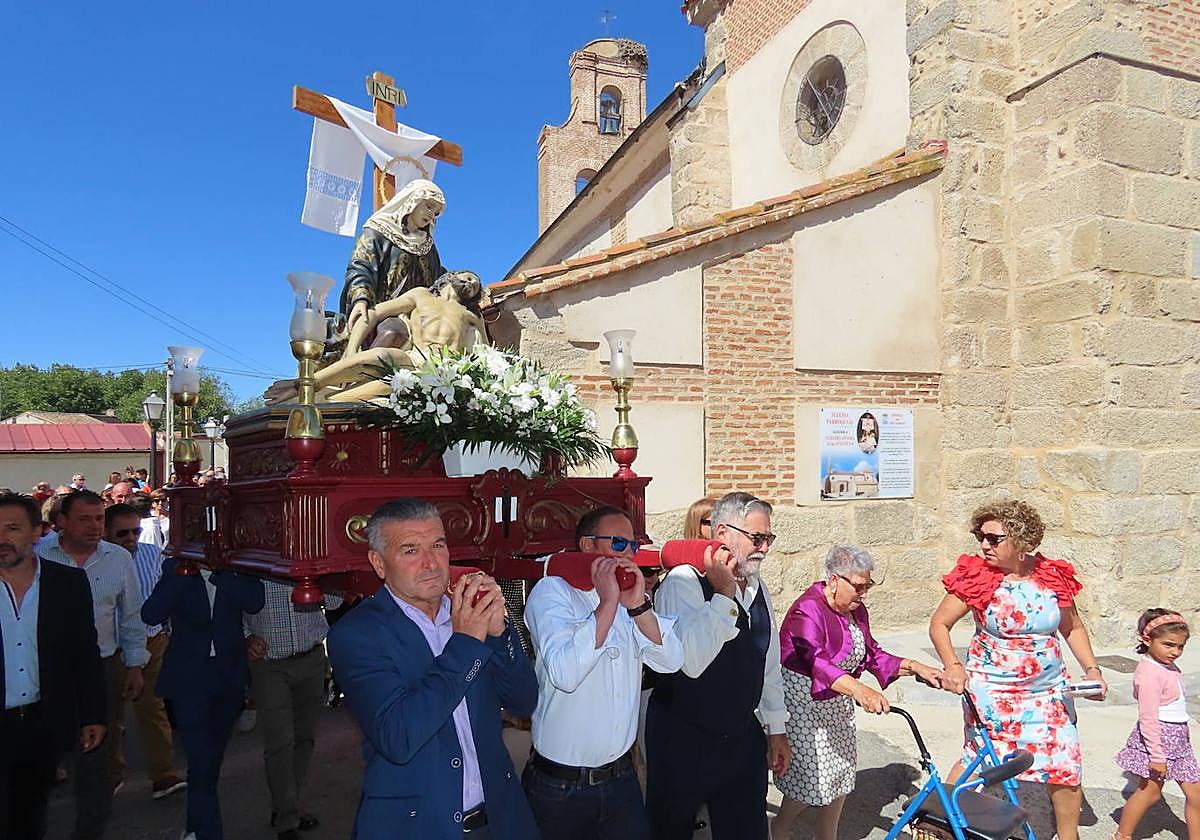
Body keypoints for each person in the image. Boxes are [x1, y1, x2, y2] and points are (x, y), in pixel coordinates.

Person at [327, 498, 539, 840]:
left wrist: (500, 635)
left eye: (438, 545)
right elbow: (399, 737)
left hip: (500, 817)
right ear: (379, 564)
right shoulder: (356, 635)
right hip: (416, 824)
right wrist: (468, 642)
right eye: (410, 550)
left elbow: (524, 701)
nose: (431, 563)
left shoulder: (469, 610)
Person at [929, 499, 1107, 840]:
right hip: (993, 692)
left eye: (994, 539)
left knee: (1064, 761)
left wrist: (1092, 669)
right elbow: (939, 624)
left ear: (1022, 541)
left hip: (1049, 690)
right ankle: (938, 821)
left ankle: (1069, 837)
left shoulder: (1051, 575)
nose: (984, 545)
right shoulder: (979, 576)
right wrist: (953, 665)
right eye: (980, 536)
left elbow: (1072, 627)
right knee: (978, 758)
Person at [522, 506, 683, 839]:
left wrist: (638, 606)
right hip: (560, 788)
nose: (628, 555)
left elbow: (671, 661)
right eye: (619, 544)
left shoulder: (629, 600)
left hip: (621, 782)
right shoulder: (552, 592)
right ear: (587, 546)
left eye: (633, 547)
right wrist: (607, 604)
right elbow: (565, 674)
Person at [772, 544, 946, 840]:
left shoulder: (855, 610)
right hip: (804, 706)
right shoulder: (807, 609)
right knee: (811, 780)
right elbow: (818, 664)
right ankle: (775, 831)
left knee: (840, 775)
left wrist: (915, 666)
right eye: (859, 586)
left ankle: (827, 836)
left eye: (868, 585)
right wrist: (861, 691)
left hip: (837, 704)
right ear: (835, 579)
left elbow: (872, 654)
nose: (864, 593)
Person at [646, 491, 790, 840]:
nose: (765, 548)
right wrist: (723, 594)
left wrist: (776, 727)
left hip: (741, 740)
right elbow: (691, 662)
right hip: (682, 741)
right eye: (757, 538)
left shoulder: (758, 587)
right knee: (670, 831)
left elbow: (767, 661)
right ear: (723, 533)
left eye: (768, 538)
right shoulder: (682, 581)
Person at [37, 489, 147, 838]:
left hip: (101, 669)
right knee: (37, 756)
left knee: (96, 759)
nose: (94, 526)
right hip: (46, 672)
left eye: (99, 519)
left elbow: (131, 616)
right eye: (85, 519)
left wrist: (133, 664)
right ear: (61, 523)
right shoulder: (38, 557)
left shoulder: (117, 559)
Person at [0, 492, 107, 840]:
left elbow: (84, 655)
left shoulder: (67, 583)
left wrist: (93, 714)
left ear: (37, 532)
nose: (2, 539)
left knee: (30, 816)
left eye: (12, 529)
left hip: (41, 723)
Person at [142, 554, 265, 840]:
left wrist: (217, 573)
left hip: (229, 678)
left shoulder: (239, 567)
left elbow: (255, 601)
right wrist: (186, 574)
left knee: (209, 761)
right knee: (200, 758)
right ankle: (209, 833)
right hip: (189, 680)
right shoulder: (175, 567)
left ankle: (194, 827)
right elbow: (151, 613)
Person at [243, 580, 344, 839]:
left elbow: (334, 601)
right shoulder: (257, 553)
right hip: (269, 663)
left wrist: (326, 578)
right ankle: (287, 819)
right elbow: (231, 601)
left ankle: (286, 806)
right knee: (280, 741)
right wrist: (245, 637)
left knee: (304, 738)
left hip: (310, 657)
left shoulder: (311, 554)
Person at [104, 504, 186, 800]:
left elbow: (163, 596)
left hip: (151, 640)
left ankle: (163, 773)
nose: (131, 538)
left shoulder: (152, 554)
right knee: (109, 714)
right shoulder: (96, 561)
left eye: (135, 531)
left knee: (153, 707)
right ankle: (111, 773)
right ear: (106, 532)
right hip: (110, 646)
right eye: (122, 532)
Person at [1112, 609, 1200, 840]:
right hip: (1160, 739)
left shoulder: (1166, 666)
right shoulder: (1149, 673)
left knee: (1196, 795)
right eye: (1169, 645)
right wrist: (1157, 756)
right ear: (1147, 639)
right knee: (1149, 793)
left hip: (1179, 741)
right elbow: (1148, 717)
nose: (1175, 652)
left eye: (1180, 646)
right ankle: (1122, 835)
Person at [340, 178, 446, 356]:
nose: (431, 214)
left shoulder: (428, 247)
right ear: (413, 200)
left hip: (416, 314)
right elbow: (360, 267)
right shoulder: (378, 232)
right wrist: (361, 299)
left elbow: (437, 280)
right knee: (394, 333)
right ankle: (361, 374)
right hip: (381, 310)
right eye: (429, 206)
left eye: (435, 212)